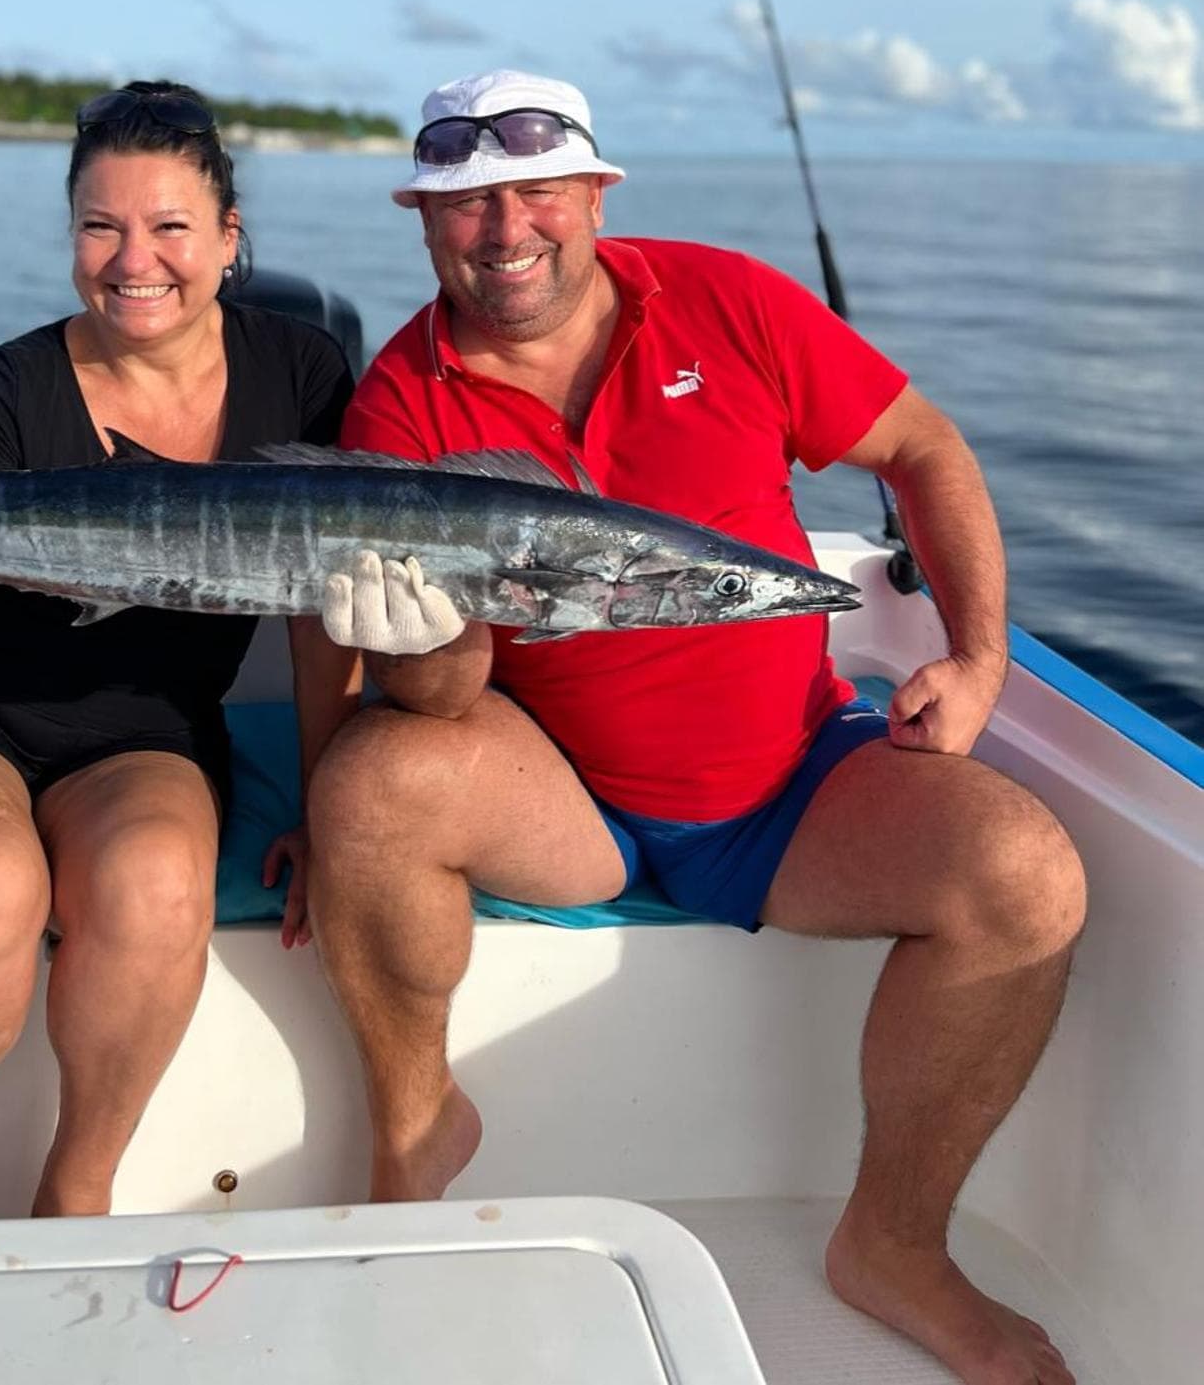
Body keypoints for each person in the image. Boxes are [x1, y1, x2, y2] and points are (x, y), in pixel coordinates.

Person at [308, 68, 1086, 1385]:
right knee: (370, 785)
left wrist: (975, 653)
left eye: (534, 194)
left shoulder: (723, 299)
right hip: (567, 799)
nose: (504, 233)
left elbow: (923, 446)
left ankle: (890, 1243)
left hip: (794, 782)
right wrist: (418, 638)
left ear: (594, 196)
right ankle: (413, 1134)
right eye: (466, 208)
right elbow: (436, 702)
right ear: (421, 223)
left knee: (1025, 874)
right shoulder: (402, 401)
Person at [0, 82, 358, 1222]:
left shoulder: (302, 374)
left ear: (230, 240)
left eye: (169, 228)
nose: (132, 259)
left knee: (154, 888)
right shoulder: (8, 390)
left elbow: (318, 608)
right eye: (100, 226)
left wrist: (328, 808)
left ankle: (76, 1193)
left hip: (142, 731)